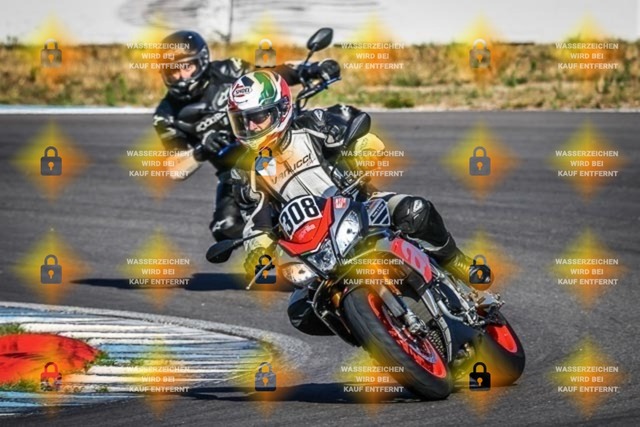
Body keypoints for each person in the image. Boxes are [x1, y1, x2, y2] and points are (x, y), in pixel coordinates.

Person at [228, 70, 488, 335]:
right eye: (242, 121)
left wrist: (363, 156)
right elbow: (256, 223)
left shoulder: (313, 124)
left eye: (258, 117)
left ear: (282, 109)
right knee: (302, 313)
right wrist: (258, 254)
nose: (251, 127)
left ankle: (456, 262)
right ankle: (379, 336)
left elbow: (362, 138)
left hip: (363, 207)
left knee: (414, 211)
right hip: (317, 249)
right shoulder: (245, 171)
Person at [152, 30, 299, 241]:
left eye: (186, 66)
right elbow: (176, 169)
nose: (181, 77)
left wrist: (307, 70)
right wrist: (201, 150)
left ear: (202, 61)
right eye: (172, 70)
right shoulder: (166, 115)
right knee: (225, 228)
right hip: (236, 171)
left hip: (278, 142)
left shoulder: (231, 69)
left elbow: (269, 76)